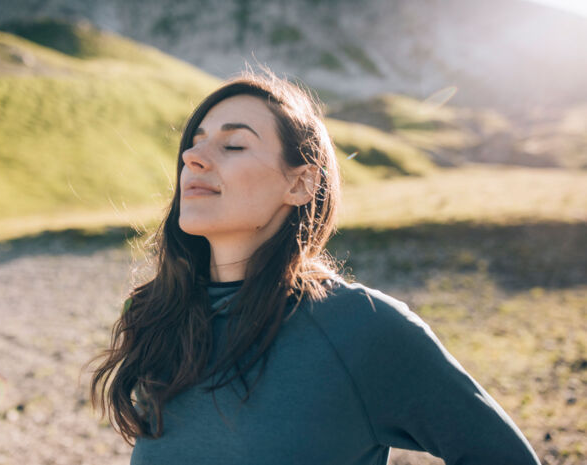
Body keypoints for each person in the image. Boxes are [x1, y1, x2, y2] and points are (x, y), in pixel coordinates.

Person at [87, 68, 541, 464]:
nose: (192, 157)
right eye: (195, 143)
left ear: (301, 182)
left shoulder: (361, 327)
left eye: (235, 144)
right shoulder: (157, 315)